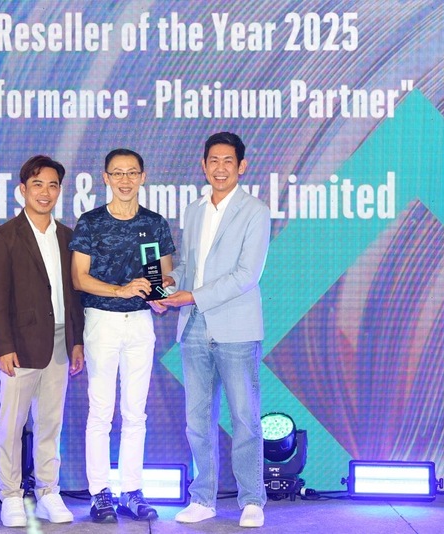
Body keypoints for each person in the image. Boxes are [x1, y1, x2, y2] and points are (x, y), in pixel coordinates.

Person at [154, 132, 271, 528]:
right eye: (213, 161)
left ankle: (251, 500)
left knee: (244, 419)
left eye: (228, 161)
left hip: (236, 328)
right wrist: (168, 286)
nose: (220, 168)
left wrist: (192, 295)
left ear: (242, 166)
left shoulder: (255, 211)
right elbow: (189, 266)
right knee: (197, 420)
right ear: (203, 166)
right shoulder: (194, 211)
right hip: (193, 326)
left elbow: (246, 275)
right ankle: (203, 498)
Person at [70, 148, 175, 523]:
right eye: (117, 173)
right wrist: (121, 290)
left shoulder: (155, 223)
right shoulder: (91, 222)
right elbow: (79, 278)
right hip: (102, 321)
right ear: (106, 178)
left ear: (143, 177)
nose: (125, 180)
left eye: (132, 173)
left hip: (141, 323)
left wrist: (161, 295)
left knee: (135, 412)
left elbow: (164, 274)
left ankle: (132, 490)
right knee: (101, 411)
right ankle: (100, 492)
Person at [0, 155, 85, 527]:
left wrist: (77, 341)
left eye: (53, 185)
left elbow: (74, 295)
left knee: (50, 423)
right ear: (22, 190)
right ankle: (11, 495)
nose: (45, 192)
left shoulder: (68, 237)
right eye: (38, 184)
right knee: (11, 425)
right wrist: (3, 345)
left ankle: (47, 492)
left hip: (60, 343)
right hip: (19, 346)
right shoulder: (3, 238)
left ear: (60, 191)